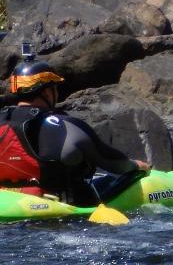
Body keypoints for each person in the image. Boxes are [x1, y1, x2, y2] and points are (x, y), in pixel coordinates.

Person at [0, 55, 151, 205]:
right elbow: (113, 163)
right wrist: (135, 165)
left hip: (10, 203)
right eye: (55, 89)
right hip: (67, 212)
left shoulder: (2, 119)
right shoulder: (67, 126)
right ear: (47, 92)